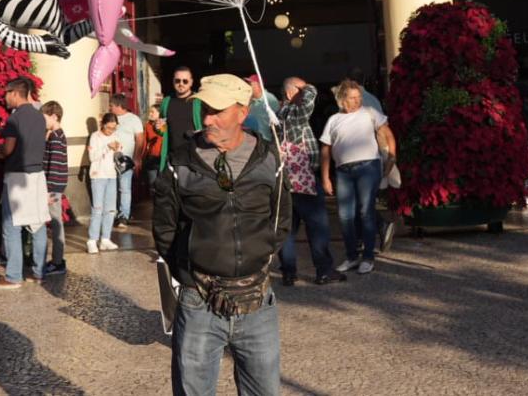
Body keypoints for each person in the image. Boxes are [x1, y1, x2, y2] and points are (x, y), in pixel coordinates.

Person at [153, 74, 290, 396]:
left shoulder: (270, 159)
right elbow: (164, 229)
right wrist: (188, 274)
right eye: (205, 110)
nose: (208, 119)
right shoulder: (180, 162)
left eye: (218, 111)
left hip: (257, 302)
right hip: (198, 301)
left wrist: (259, 256)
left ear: (242, 112)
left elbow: (281, 220)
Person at [320, 79, 396, 275]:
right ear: (343, 100)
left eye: (359, 97)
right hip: (343, 171)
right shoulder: (334, 120)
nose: (357, 101)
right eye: (353, 98)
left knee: (366, 211)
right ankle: (352, 255)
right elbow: (326, 150)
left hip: (368, 166)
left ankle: (368, 256)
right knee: (345, 216)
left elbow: (387, 134)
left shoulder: (370, 113)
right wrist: (325, 177)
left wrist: (391, 158)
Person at [278, 78, 343, 286]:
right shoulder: (294, 114)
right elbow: (310, 97)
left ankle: (289, 272)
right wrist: (307, 86)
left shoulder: (279, 114)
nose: (304, 91)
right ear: (290, 94)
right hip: (304, 180)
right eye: (299, 89)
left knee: (288, 229)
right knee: (318, 227)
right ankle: (323, 270)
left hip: (287, 182)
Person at [0, 79, 48, 288]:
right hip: (37, 175)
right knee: (37, 224)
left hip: (17, 176)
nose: (4, 97)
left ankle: (13, 276)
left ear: (15, 93)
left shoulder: (14, 119)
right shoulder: (40, 117)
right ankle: (39, 272)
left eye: (6, 93)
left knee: (12, 226)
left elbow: (8, 148)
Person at [87, 113, 123, 254]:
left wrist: (119, 149)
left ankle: (105, 238)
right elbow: (92, 157)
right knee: (97, 208)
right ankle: (92, 239)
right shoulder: (95, 136)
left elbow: (119, 155)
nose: (111, 131)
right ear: (103, 124)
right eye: (109, 128)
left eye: (114, 128)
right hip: (98, 175)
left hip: (112, 175)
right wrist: (107, 147)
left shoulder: (115, 136)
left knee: (110, 209)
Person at [41, 100, 69, 276]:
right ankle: (57, 260)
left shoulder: (57, 137)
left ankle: (58, 261)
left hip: (52, 187)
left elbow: (55, 165)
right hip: (53, 185)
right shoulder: (54, 135)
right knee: (55, 221)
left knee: (56, 222)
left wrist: (48, 190)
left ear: (54, 116)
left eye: (44, 117)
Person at [108, 94, 145, 226]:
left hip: (126, 159)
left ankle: (124, 215)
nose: (109, 108)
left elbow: (140, 139)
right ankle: (113, 214)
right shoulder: (110, 119)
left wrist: (137, 157)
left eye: (111, 105)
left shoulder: (133, 119)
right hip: (110, 159)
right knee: (112, 187)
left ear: (118, 105)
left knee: (124, 188)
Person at [162, 65, 201, 168]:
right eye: (177, 81)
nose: (181, 84)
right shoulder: (166, 101)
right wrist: (159, 127)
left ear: (191, 82)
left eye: (185, 81)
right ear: (173, 81)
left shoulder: (198, 102)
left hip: (194, 157)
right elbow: (164, 128)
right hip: (172, 157)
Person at [142, 104, 165, 197]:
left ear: (160, 113)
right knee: (152, 183)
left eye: (152, 112)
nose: (150, 114)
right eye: (150, 112)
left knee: (163, 183)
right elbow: (144, 142)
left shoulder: (165, 124)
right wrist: (142, 157)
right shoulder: (148, 125)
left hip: (163, 157)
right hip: (152, 157)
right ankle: (154, 203)